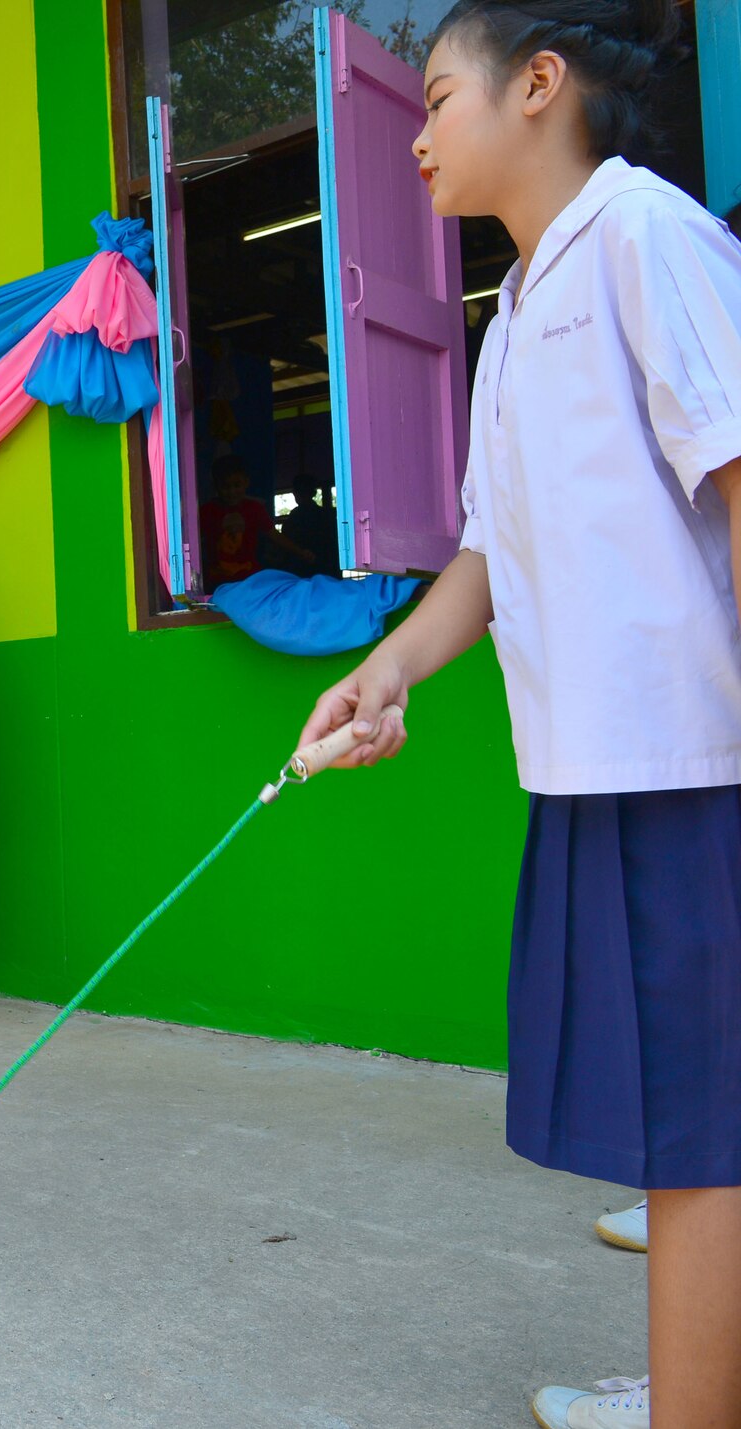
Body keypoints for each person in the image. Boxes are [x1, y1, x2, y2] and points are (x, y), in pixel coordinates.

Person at [293, 0, 741, 1421]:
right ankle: (690, 1381)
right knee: (673, 1122)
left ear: (540, 84)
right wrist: (389, 669)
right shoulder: (514, 309)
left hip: (690, 762)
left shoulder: (646, 238)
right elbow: (482, 558)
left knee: (700, 1134)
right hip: (591, 768)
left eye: (434, 98)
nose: (411, 136)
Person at [199, 453, 314, 587]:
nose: (231, 491)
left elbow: (274, 535)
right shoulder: (207, 511)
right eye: (225, 487)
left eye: (237, 485)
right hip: (216, 583)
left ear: (246, 482)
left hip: (249, 581)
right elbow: (193, 543)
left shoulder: (254, 509)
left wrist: (300, 552)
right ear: (216, 487)